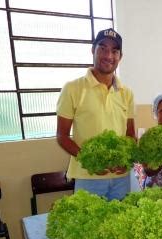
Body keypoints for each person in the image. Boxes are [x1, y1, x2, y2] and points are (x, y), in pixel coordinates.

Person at [56, 28, 135, 200]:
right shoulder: (73, 88)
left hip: (121, 177)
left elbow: (130, 135)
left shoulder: (126, 93)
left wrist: (126, 160)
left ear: (120, 57)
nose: (109, 55)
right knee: (88, 225)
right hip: (88, 176)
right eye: (103, 48)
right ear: (93, 50)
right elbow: (62, 136)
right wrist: (91, 161)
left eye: (115, 51)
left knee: (120, 224)